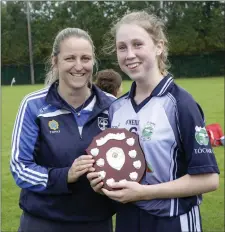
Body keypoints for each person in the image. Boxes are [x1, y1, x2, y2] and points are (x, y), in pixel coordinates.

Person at [87, 11, 219, 232]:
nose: (129, 54)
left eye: (138, 44)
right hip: (127, 219)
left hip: (173, 221)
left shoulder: (180, 103)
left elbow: (209, 179)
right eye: (122, 47)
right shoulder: (116, 109)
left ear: (159, 46)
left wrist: (144, 193)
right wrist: (101, 182)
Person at [10, 27, 116, 232]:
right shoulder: (33, 105)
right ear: (55, 61)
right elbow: (20, 168)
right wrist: (64, 175)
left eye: (85, 58)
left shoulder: (113, 106)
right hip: (43, 222)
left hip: (96, 223)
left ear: (93, 61)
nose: (79, 66)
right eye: (70, 58)